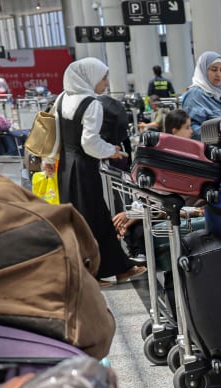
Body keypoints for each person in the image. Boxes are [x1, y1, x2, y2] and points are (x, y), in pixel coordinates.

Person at [55, 58, 141, 284]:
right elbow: (90, 143)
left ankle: (108, 269)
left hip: (65, 166)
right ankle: (98, 272)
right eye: (103, 78)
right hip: (84, 167)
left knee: (80, 218)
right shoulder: (92, 104)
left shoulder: (63, 98)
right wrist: (111, 151)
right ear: (89, 78)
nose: (105, 83)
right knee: (95, 218)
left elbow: (54, 132)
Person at [180, 51, 221, 137]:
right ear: (203, 70)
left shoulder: (218, 94)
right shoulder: (195, 95)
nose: (219, 74)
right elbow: (192, 129)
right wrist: (218, 135)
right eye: (214, 69)